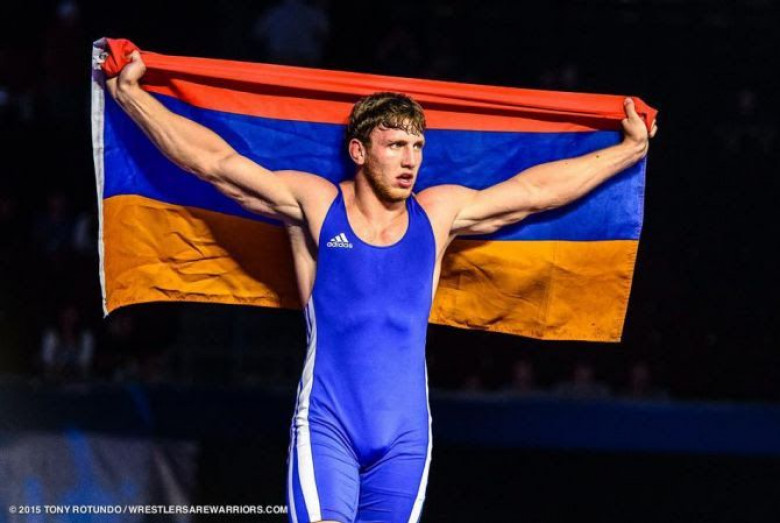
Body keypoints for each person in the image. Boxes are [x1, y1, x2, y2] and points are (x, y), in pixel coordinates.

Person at [105, 49, 657, 523]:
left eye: (417, 146)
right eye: (395, 145)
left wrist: (629, 150)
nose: (410, 160)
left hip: (407, 438)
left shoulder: (437, 215)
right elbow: (216, 164)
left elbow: (536, 192)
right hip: (328, 425)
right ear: (359, 151)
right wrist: (131, 97)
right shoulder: (317, 205)